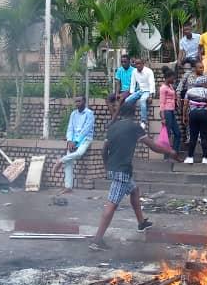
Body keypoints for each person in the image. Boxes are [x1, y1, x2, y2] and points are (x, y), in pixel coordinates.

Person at [89, 102, 178, 250]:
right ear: (134, 112)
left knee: (134, 190)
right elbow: (152, 146)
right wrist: (169, 152)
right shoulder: (134, 127)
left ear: (122, 112)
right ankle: (97, 240)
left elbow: (104, 151)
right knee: (112, 204)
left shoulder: (113, 128)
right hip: (122, 171)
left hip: (115, 168)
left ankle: (141, 223)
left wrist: (107, 167)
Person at [50, 95, 95, 194]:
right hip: (73, 140)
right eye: (76, 102)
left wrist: (76, 141)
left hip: (85, 139)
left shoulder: (89, 114)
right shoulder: (73, 114)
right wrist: (70, 140)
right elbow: (70, 128)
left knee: (79, 153)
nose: (77, 103)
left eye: (79, 101)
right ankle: (68, 187)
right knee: (68, 162)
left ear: (84, 102)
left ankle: (60, 161)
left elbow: (86, 130)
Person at [183, 72, 207, 165]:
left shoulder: (189, 91)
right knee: (204, 137)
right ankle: (205, 158)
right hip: (204, 114)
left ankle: (190, 157)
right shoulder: (206, 91)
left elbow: (185, 104)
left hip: (193, 114)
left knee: (193, 136)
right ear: (203, 83)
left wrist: (184, 116)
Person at [123, 57, 155, 125]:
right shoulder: (134, 71)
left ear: (143, 64)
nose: (138, 65)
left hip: (147, 91)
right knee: (127, 100)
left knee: (142, 100)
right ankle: (128, 117)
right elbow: (133, 83)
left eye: (139, 64)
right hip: (140, 91)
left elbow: (151, 83)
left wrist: (151, 96)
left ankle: (143, 121)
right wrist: (131, 93)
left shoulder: (149, 71)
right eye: (136, 64)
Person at [158, 68, 181, 158]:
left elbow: (173, 97)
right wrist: (163, 118)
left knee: (178, 133)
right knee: (167, 135)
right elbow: (161, 103)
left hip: (171, 112)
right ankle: (166, 157)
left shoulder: (170, 86)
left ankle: (173, 154)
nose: (174, 79)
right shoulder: (163, 88)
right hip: (167, 112)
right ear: (168, 78)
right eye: (172, 78)